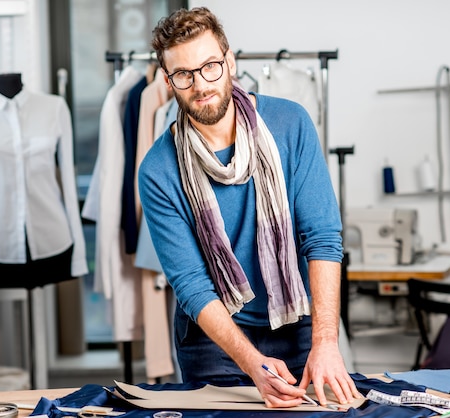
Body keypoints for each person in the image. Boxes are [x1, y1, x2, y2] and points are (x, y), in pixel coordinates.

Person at [138, 7, 360, 408]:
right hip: (212, 341)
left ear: (230, 61)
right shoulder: (157, 170)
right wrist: (252, 362)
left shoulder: (291, 123)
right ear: (169, 82)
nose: (201, 85)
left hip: (297, 323)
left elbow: (323, 238)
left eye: (210, 66)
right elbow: (190, 284)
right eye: (184, 75)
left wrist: (326, 342)